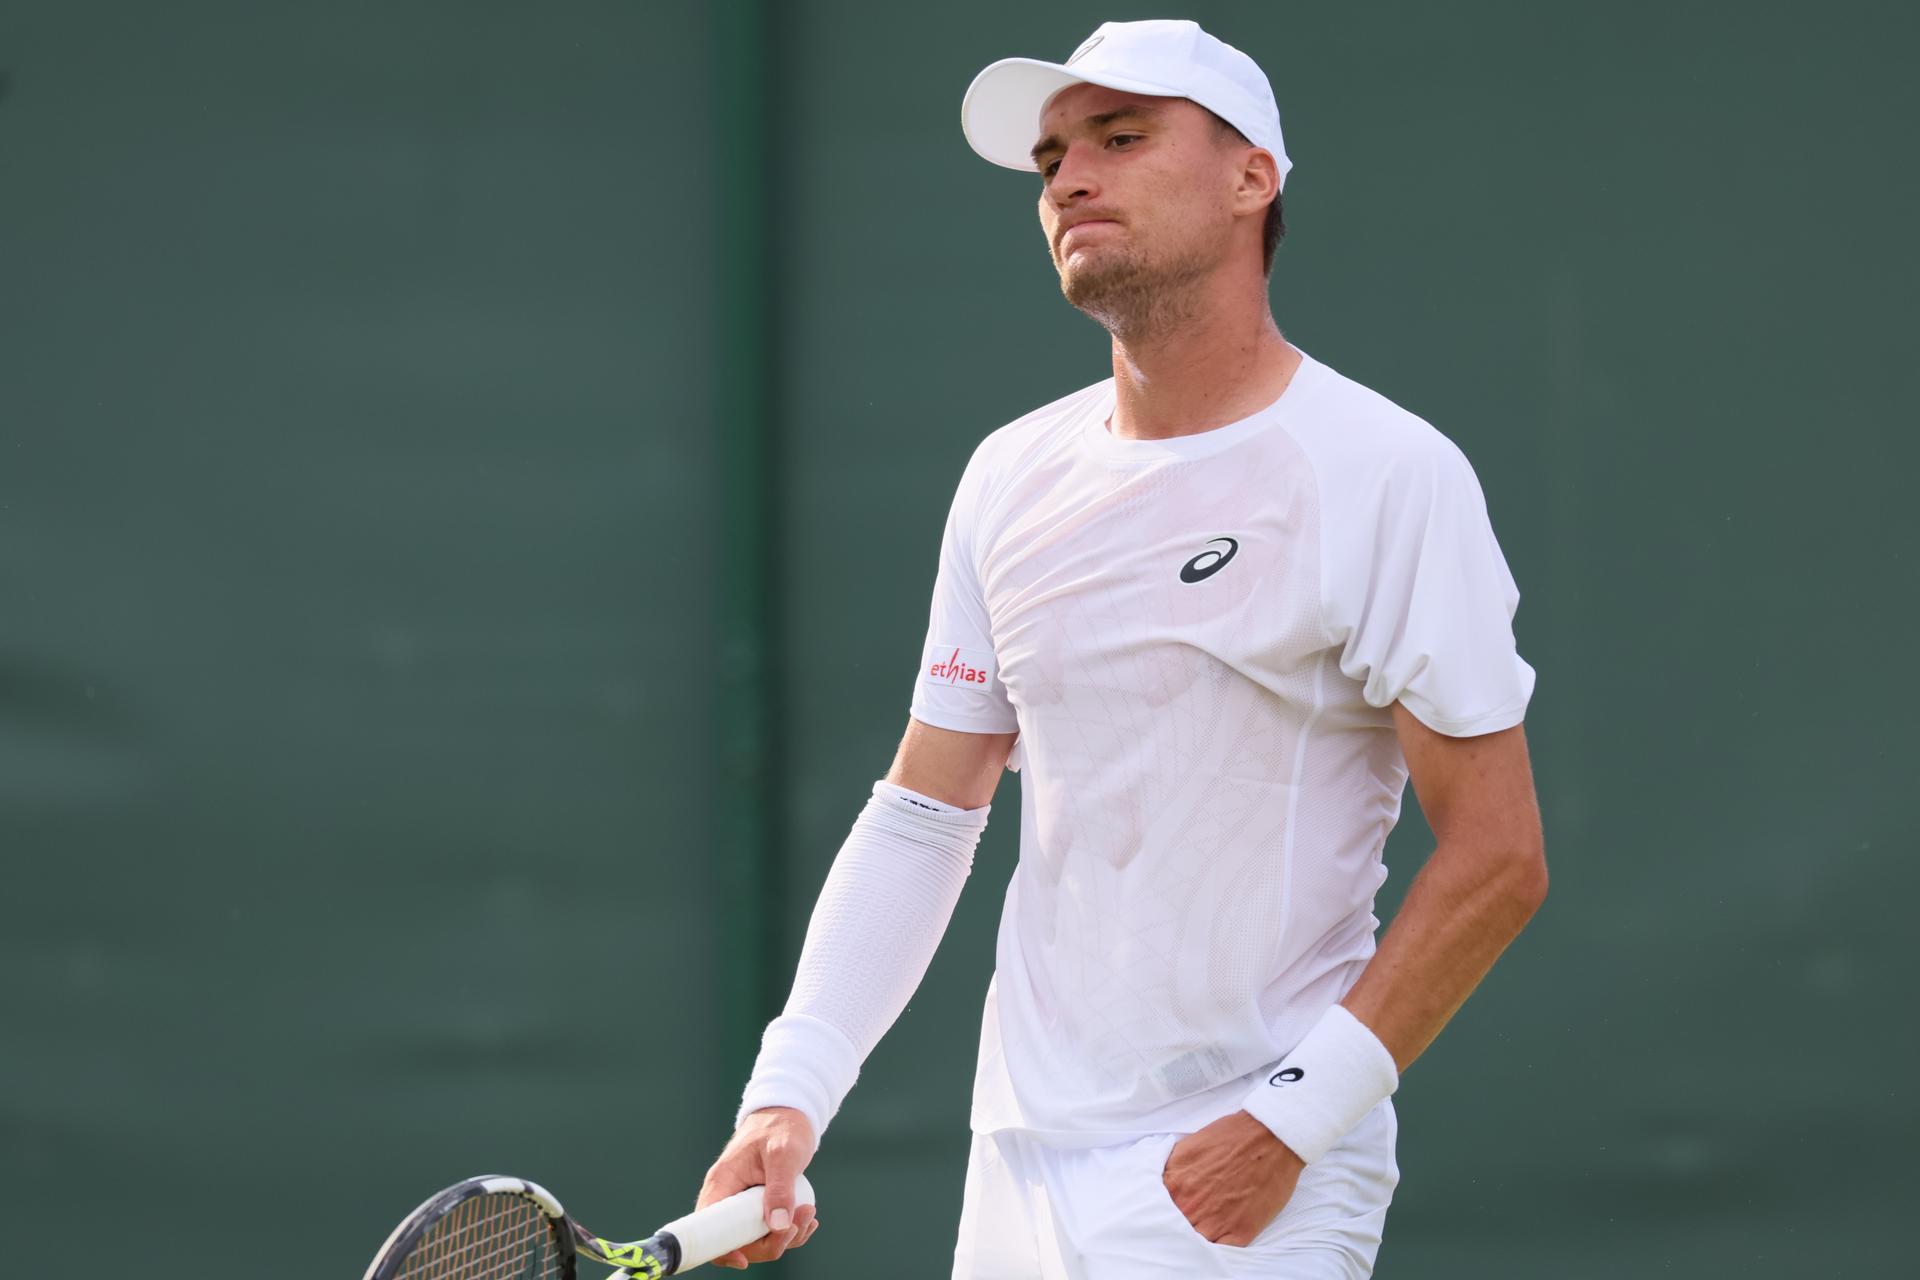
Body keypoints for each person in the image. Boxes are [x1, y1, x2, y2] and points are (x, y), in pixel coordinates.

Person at [695, 18, 1547, 1278]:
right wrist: (789, 1092)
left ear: (1252, 177)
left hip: (1250, 1168)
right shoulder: (1009, 477)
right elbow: (929, 810)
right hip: (1020, 1170)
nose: (1069, 178)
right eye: (1051, 159)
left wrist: (1293, 1116)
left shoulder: (1386, 474)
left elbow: (1497, 856)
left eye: (1121, 137)